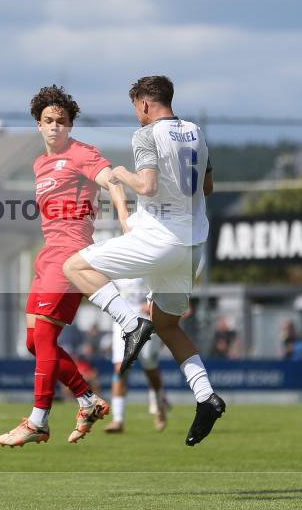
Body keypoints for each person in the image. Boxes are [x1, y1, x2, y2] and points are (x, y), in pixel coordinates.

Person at [63, 75, 225, 447]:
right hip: (192, 246)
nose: (136, 115)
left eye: (135, 107)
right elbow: (208, 188)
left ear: (145, 104)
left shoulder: (146, 135)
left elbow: (148, 186)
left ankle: (129, 322)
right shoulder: (197, 132)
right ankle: (206, 396)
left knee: (74, 267)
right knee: (167, 326)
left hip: (159, 241)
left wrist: (120, 174)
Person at [0, 85, 134, 448]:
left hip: (71, 254)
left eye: (62, 121)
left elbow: (113, 181)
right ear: (38, 126)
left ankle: (38, 419)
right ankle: (87, 400)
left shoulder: (82, 153)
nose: (55, 127)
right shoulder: (39, 164)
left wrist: (124, 219)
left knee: (43, 337)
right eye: (48, 121)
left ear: (70, 126)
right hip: (47, 255)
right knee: (32, 341)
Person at [104, 278, 170, 434]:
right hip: (122, 321)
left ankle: (160, 404)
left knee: (150, 369)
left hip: (147, 320)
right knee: (120, 368)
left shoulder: (150, 261)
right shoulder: (116, 262)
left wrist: (155, 306)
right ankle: (118, 420)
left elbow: (166, 285)